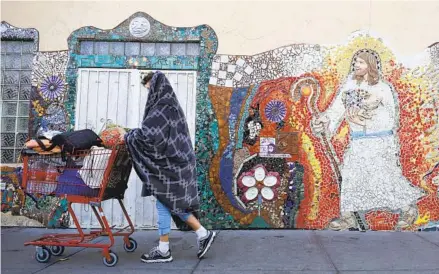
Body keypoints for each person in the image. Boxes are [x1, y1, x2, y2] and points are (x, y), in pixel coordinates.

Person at [311, 50, 425, 230]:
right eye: (356, 61)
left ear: (371, 66)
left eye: (362, 62)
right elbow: (335, 112)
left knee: (385, 178)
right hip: (358, 142)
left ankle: (407, 209)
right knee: (351, 177)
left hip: (380, 142)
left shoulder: (382, 88)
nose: (357, 65)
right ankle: (348, 217)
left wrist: (368, 115)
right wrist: (323, 123)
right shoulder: (348, 86)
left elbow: (391, 118)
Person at [125, 71, 216, 263]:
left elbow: (150, 137)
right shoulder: (171, 105)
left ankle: (169, 247)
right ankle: (198, 235)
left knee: (167, 201)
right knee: (168, 201)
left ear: (156, 86)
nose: (149, 93)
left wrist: (128, 135)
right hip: (175, 162)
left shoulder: (161, 107)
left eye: (150, 88)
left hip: (169, 165)